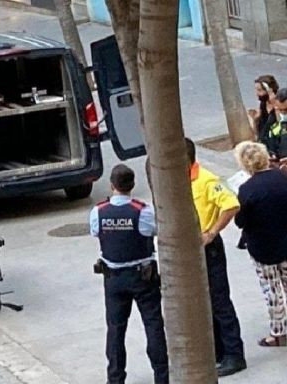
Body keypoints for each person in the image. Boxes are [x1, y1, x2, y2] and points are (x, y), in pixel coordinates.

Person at [90, 164, 168, 384]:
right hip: (142, 277)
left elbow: (95, 232)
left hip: (113, 278)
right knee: (153, 325)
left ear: (112, 185)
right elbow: (154, 230)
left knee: (115, 330)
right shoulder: (142, 210)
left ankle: (115, 379)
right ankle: (162, 376)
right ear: (132, 185)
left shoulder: (99, 211)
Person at [185, 138, 247, 376]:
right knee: (205, 303)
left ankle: (233, 354)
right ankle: (218, 351)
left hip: (208, 248)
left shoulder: (206, 180)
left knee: (219, 301)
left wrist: (212, 232)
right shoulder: (181, 180)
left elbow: (231, 205)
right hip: (190, 249)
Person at [233, 141, 287, 347]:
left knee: (272, 290)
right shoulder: (282, 178)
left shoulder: (247, 190)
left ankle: (278, 332)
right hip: (285, 239)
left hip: (262, 246)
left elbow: (240, 221)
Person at [249, 75, 278, 146]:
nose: (257, 93)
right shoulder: (263, 104)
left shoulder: (281, 105)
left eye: (259, 90)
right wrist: (255, 120)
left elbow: (280, 127)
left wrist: (275, 106)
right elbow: (258, 133)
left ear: (269, 90)